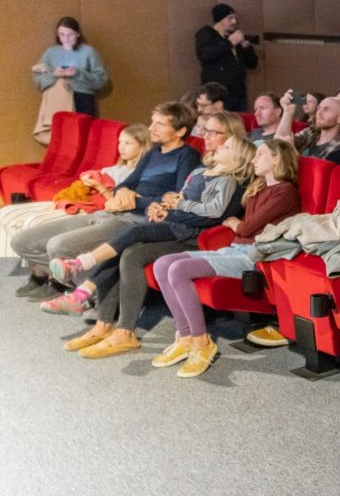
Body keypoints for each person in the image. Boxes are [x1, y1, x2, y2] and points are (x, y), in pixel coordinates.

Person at [128, 140, 302, 377]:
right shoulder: (258, 188)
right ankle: (185, 337)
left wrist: (236, 224)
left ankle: (202, 343)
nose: (253, 159)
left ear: (276, 159)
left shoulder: (285, 191)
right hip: (234, 249)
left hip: (255, 257)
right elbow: (243, 229)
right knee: (162, 264)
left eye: (260, 154)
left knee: (178, 270)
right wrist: (236, 225)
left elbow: (245, 228)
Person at [50, 136, 256, 331]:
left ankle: (80, 266)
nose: (219, 146)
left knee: (134, 235)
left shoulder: (228, 181)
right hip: (173, 220)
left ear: (238, 159)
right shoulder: (200, 171)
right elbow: (181, 196)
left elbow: (211, 213)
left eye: (227, 147)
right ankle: (82, 296)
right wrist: (163, 205)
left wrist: (173, 210)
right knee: (125, 245)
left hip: (186, 230)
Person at [12, 102, 201, 302]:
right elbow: (126, 184)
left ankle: (92, 297)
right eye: (152, 122)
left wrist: (136, 202)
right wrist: (124, 190)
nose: (151, 128)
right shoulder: (153, 153)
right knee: (22, 241)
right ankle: (83, 287)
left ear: (180, 131)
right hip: (110, 212)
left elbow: (178, 199)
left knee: (57, 246)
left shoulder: (188, 156)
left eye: (160, 124)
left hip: (135, 220)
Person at [3, 123, 148, 263]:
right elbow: (94, 179)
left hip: (118, 218)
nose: (121, 147)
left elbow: (120, 206)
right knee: (19, 240)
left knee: (56, 245)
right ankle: (65, 271)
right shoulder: (114, 169)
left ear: (142, 146)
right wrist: (88, 179)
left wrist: (100, 187)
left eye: (128, 143)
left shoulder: (145, 173)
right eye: (120, 142)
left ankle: (72, 272)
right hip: (96, 211)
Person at [32, 16, 108, 118]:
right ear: (57, 35)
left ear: (78, 34)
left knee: (82, 128)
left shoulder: (88, 52)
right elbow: (38, 81)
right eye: (62, 34)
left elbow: (101, 81)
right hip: (57, 99)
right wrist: (54, 75)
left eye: (70, 34)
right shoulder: (50, 53)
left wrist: (78, 73)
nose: (66, 39)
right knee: (59, 128)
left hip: (83, 99)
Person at [194, 3, 257, 111]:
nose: (234, 22)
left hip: (238, 92)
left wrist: (246, 47)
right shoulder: (206, 34)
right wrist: (229, 43)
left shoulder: (235, 37)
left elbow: (252, 64)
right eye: (230, 18)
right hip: (216, 93)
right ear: (220, 19)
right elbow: (205, 55)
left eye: (235, 18)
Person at [276, 91, 340, 159]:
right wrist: (288, 112)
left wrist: (291, 150)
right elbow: (280, 143)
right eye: (319, 108)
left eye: (326, 109)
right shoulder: (311, 133)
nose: (319, 113)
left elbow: (315, 167)